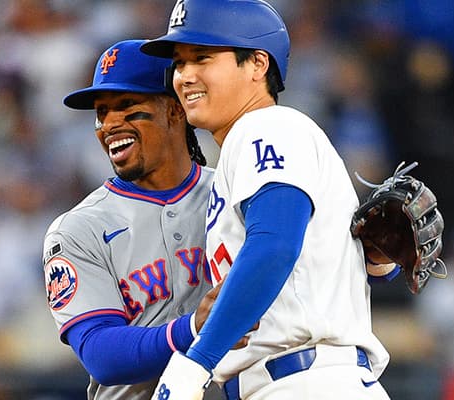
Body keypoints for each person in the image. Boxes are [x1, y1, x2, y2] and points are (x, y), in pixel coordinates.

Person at [141, 1, 392, 399]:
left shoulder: (268, 127)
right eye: (179, 63)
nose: (184, 75)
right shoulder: (247, 148)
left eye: (201, 58)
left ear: (257, 65)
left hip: (306, 382)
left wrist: (197, 360)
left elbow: (274, 246)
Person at [42, 39, 220, 399]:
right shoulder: (79, 229)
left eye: (126, 106)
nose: (109, 124)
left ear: (174, 110)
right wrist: (193, 328)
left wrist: (367, 255)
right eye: (102, 112)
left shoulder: (232, 191)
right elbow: (101, 354)